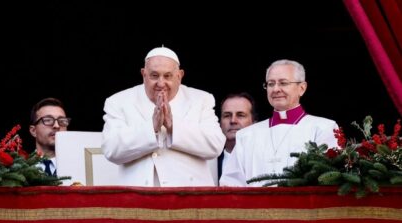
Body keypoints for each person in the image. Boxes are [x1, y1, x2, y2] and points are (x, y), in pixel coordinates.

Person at [102, 46, 225, 187]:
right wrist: (152, 127)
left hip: (190, 195)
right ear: (144, 74)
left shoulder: (201, 99)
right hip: (138, 195)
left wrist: (173, 126)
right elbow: (111, 149)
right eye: (154, 75)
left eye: (168, 76)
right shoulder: (119, 101)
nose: (161, 83)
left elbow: (215, 145)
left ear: (179, 76)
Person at [220, 59, 338, 187]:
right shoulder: (246, 135)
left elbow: (329, 179)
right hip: (255, 206)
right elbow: (231, 184)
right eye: (270, 84)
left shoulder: (323, 128)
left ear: (302, 88)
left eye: (283, 83)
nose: (276, 89)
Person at [218, 92, 257, 178]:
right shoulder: (207, 163)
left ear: (254, 123)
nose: (233, 120)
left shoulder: (264, 159)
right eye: (227, 115)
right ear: (220, 124)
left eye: (240, 115)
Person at [29, 97, 71, 176]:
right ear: (33, 131)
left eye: (62, 121)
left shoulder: (79, 167)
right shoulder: (18, 170)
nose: (56, 125)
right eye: (48, 120)